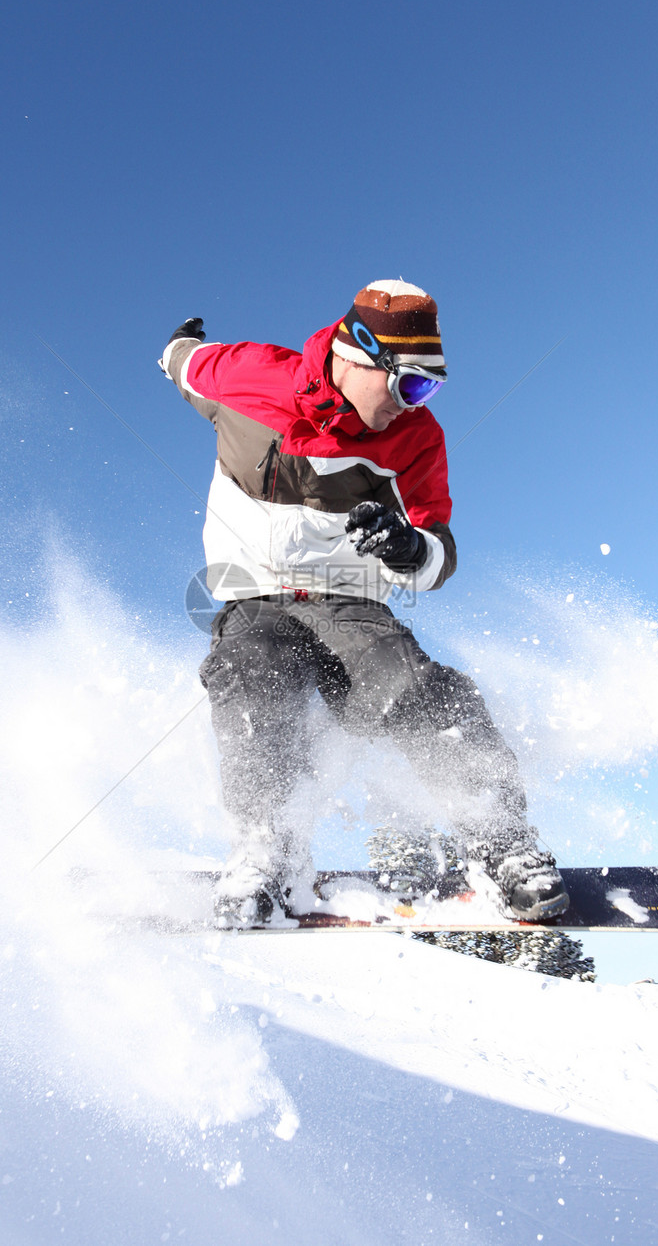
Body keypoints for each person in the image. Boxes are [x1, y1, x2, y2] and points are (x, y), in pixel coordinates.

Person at [159, 280, 568, 925]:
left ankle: (500, 837)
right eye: (411, 385)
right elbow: (185, 365)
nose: (416, 405)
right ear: (358, 354)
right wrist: (181, 345)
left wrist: (410, 550)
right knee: (248, 674)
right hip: (254, 597)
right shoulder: (248, 376)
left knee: (412, 686)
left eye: (430, 389)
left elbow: (439, 553)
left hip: (350, 600)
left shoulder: (416, 440)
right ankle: (267, 844)